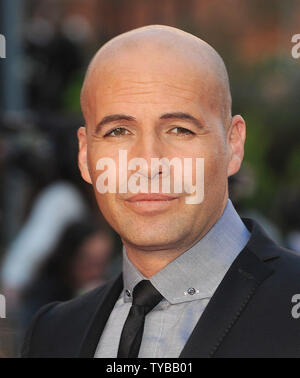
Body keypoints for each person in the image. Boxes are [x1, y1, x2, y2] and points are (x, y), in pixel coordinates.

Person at [21, 25, 300, 358]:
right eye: (118, 131)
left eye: (180, 130)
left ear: (233, 144)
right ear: (84, 155)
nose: (148, 163)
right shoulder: (52, 335)